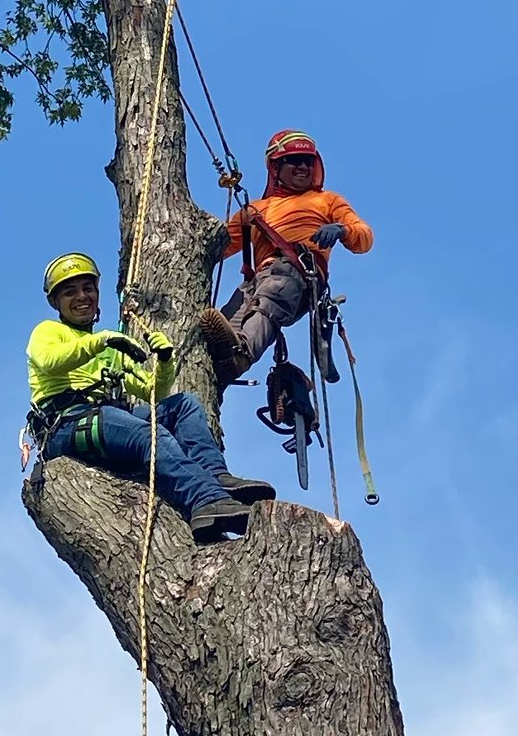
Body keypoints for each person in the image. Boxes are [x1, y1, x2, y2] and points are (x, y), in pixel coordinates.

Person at [26, 253, 274, 542]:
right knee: (150, 434)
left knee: (183, 406)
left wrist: (165, 362)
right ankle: (205, 500)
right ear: (55, 302)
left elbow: (152, 391)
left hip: (104, 418)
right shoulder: (48, 331)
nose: (82, 297)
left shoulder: (109, 349)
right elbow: (50, 361)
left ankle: (214, 475)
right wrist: (100, 341)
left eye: (88, 289)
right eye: (70, 292)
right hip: (68, 424)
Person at [203, 130, 373, 387]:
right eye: (294, 160)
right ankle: (214, 371)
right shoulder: (254, 210)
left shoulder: (327, 201)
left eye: (308, 160)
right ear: (276, 167)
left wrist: (341, 230)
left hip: (297, 273)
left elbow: (364, 238)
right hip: (258, 279)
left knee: (271, 296)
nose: (303, 166)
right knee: (223, 325)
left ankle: (242, 354)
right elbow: (218, 247)